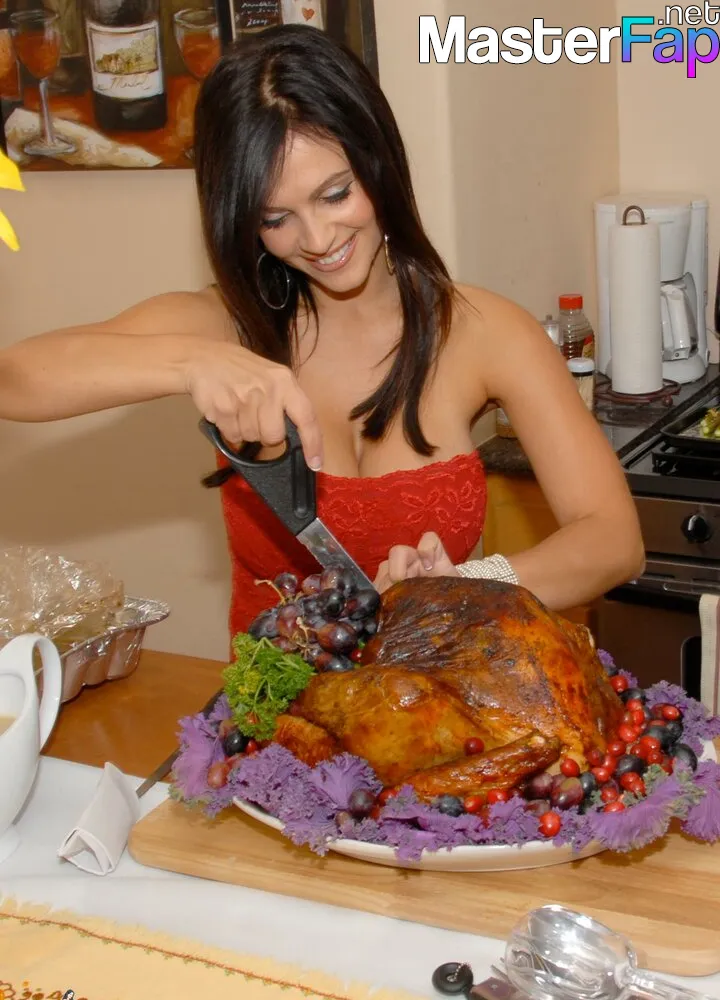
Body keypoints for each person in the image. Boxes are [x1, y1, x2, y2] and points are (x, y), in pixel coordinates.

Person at [0, 25, 643, 640]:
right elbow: (16, 379)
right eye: (275, 218)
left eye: (335, 195)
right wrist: (191, 363)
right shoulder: (228, 325)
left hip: (433, 700)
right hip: (272, 711)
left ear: (377, 164)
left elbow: (614, 540)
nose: (316, 239)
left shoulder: (483, 330)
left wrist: (467, 585)